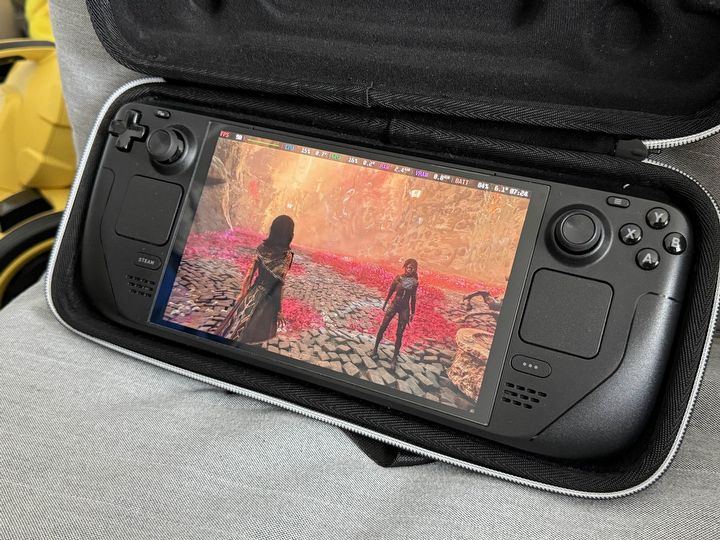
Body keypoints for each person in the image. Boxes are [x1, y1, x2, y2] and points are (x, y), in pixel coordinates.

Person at [218, 215, 294, 343]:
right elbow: (278, 286)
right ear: (289, 235)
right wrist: (279, 311)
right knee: (252, 338)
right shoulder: (286, 256)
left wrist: (243, 293)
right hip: (268, 303)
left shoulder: (261, 248)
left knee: (236, 326)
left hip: (252, 294)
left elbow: (250, 274)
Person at [372, 258, 419, 369]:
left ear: (414, 270)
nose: (410, 270)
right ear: (405, 267)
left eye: (412, 268)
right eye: (408, 267)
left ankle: (394, 358)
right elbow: (391, 291)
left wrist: (413, 312)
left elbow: (413, 297)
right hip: (394, 304)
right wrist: (385, 303)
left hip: (405, 308)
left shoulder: (415, 282)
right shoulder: (398, 278)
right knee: (383, 326)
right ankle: (375, 349)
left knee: (399, 333)